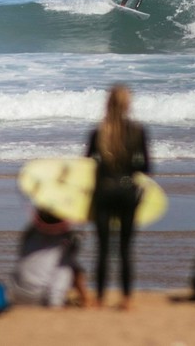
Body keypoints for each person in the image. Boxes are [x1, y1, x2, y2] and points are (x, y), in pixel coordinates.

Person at [85, 84, 150, 310]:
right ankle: (127, 299)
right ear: (127, 104)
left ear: (108, 103)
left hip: (103, 193)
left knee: (102, 248)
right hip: (127, 194)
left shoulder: (98, 132)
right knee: (124, 249)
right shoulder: (138, 131)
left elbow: (86, 164)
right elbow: (146, 167)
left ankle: (100, 298)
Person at [11, 209, 89, 308]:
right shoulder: (66, 240)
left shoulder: (30, 233)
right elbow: (66, 270)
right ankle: (64, 301)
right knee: (68, 266)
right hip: (41, 297)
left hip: (17, 294)